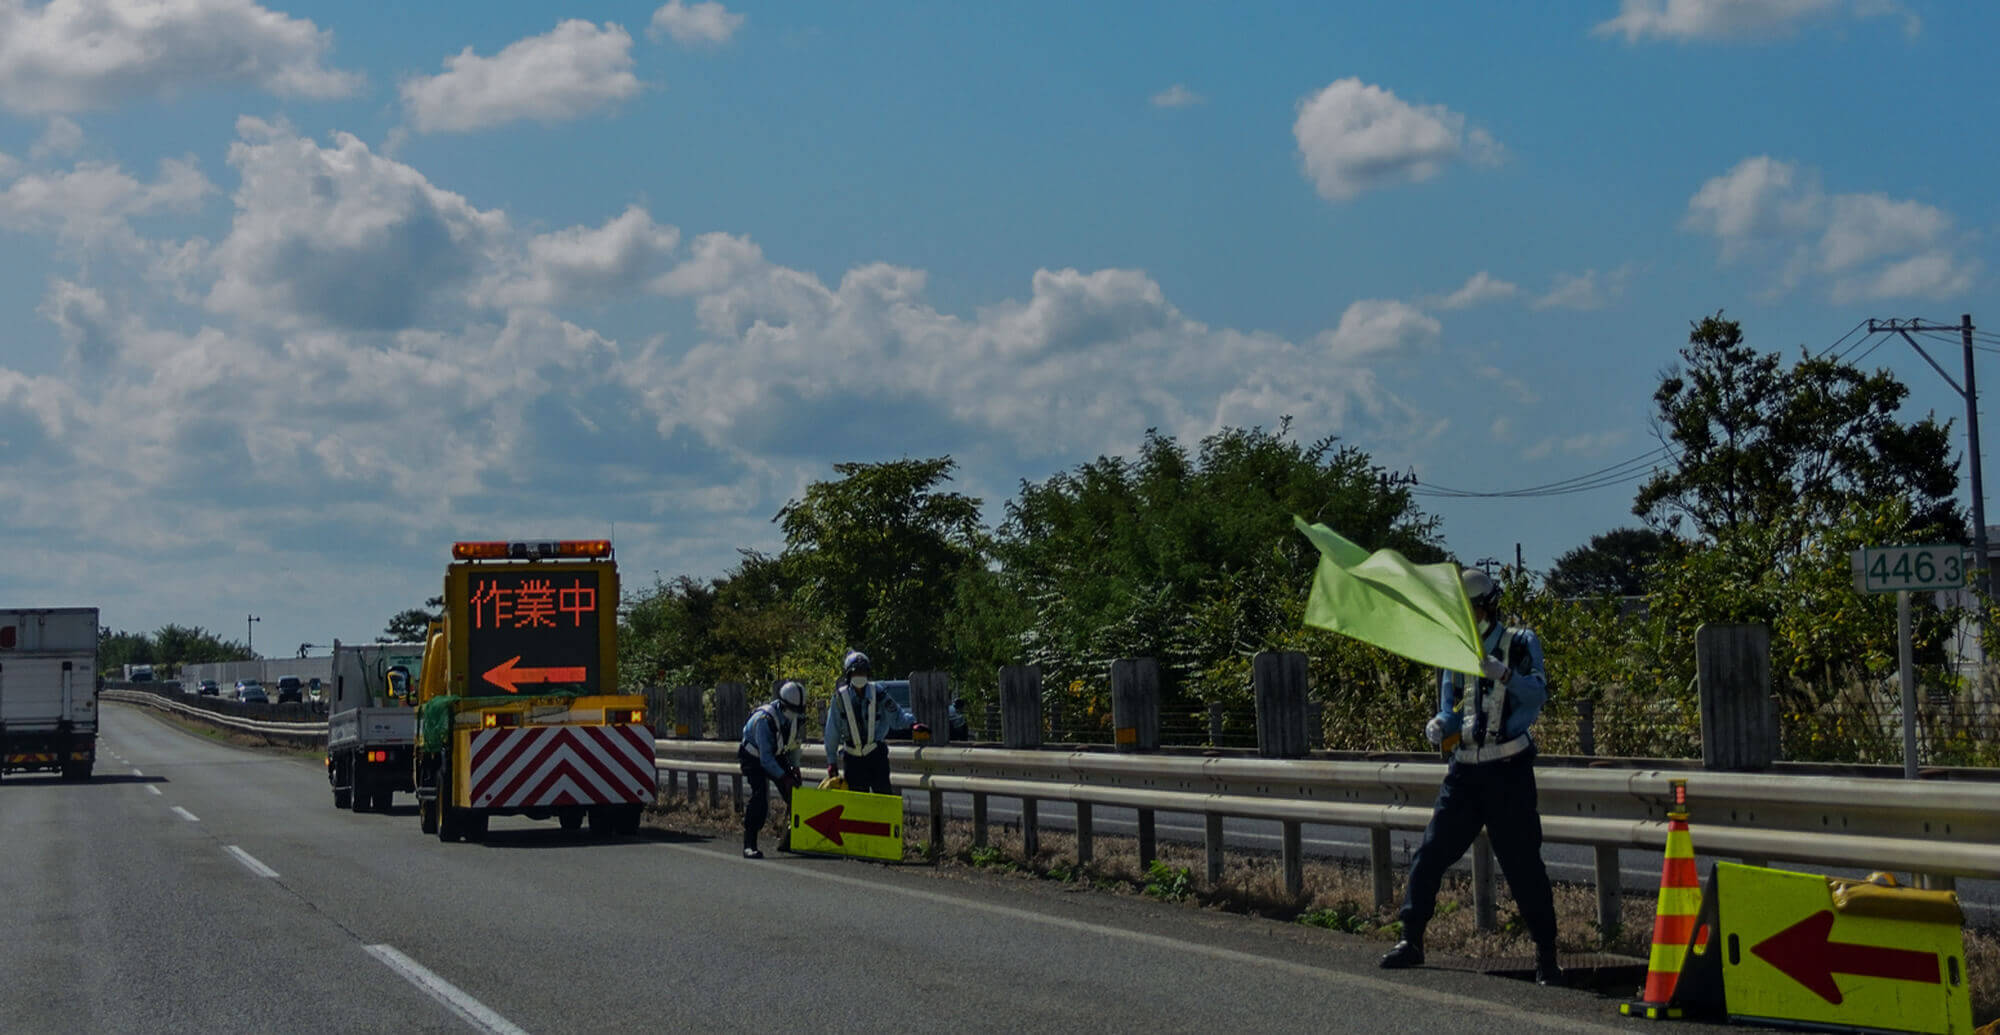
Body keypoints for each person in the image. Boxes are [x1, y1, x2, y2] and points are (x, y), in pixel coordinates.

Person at [1379, 568, 1564, 986]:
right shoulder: (1455, 649)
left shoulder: (1520, 642)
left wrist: (1506, 675)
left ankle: (1546, 955)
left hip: (1508, 771)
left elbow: (1538, 693)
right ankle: (1411, 938)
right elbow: (1453, 707)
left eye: (1475, 608)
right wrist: (1439, 724)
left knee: (1522, 865)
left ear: (1490, 606)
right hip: (1463, 772)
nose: (1470, 616)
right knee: (1430, 853)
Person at [822, 650, 924, 795]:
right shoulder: (839, 698)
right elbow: (832, 731)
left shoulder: (879, 692)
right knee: (857, 805)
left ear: (868, 674)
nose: (860, 676)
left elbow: (896, 717)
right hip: (852, 759)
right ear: (849, 675)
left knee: (884, 800)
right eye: (856, 672)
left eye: (863, 672)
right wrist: (831, 761)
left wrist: (912, 724)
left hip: (876, 756)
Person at [740, 680, 808, 859]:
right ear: (783, 704)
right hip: (753, 757)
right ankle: (750, 844)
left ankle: (792, 837)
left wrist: (795, 767)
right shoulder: (765, 720)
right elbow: (766, 759)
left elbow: (794, 744)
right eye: (792, 709)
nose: (795, 714)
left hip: (776, 754)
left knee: (794, 794)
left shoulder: (796, 717)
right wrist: (784, 777)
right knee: (760, 797)